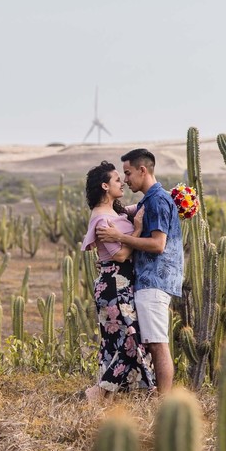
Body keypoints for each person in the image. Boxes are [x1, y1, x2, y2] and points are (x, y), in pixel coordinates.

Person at [95, 148, 183, 395]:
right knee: (151, 343)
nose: (125, 179)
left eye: (128, 173)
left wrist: (119, 236)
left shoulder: (156, 201)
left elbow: (158, 244)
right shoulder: (150, 199)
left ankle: (164, 402)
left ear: (142, 170)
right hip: (148, 280)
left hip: (154, 280)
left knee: (157, 344)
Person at [80, 161, 156, 403]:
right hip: (114, 284)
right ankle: (98, 391)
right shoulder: (102, 220)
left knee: (116, 341)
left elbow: (142, 205)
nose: (122, 182)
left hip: (120, 283)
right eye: (116, 179)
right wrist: (137, 230)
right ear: (105, 186)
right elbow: (121, 255)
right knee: (131, 339)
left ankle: (110, 397)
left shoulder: (114, 212)